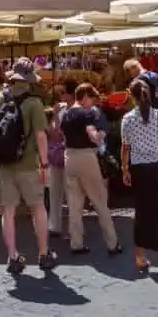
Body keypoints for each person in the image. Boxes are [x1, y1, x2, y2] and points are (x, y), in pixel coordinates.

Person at [0, 57, 56, 273]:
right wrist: (45, 165)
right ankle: (43, 254)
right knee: (38, 208)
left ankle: (13, 256)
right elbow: (41, 137)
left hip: (4, 165)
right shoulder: (34, 103)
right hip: (28, 165)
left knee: (8, 211)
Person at [121, 79, 158, 276]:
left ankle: (140, 257)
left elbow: (125, 147)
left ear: (132, 96)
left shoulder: (127, 119)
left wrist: (124, 169)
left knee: (142, 213)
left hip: (139, 169)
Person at [60, 84, 122, 256]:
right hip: (86, 157)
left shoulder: (66, 114)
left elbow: (62, 135)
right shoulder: (86, 114)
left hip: (69, 158)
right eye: (91, 98)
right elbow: (92, 135)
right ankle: (112, 243)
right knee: (100, 201)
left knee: (74, 204)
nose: (92, 103)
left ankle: (76, 243)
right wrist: (100, 136)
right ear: (85, 96)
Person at [46, 79, 77, 237]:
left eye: (62, 92)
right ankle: (55, 225)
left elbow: (57, 132)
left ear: (70, 94)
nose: (60, 96)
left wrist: (56, 117)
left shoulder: (73, 111)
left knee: (70, 192)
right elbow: (52, 133)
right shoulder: (63, 108)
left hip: (67, 154)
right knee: (56, 191)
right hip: (59, 155)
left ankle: (72, 228)